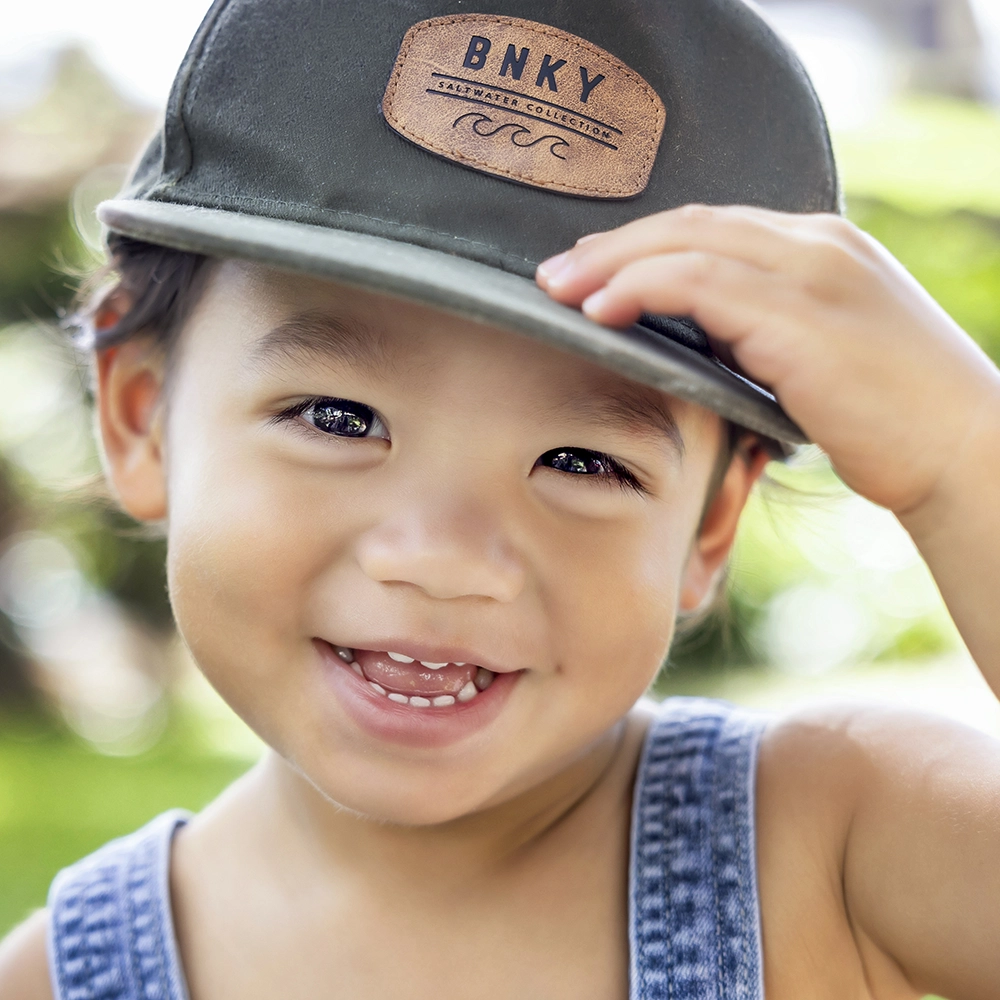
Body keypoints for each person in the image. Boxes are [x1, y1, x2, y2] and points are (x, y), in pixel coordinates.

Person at [1, 0, 999, 997]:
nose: (442, 555)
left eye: (581, 462)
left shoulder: (838, 847)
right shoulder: (62, 978)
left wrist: (964, 459)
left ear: (710, 523)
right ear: (143, 417)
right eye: (340, 418)